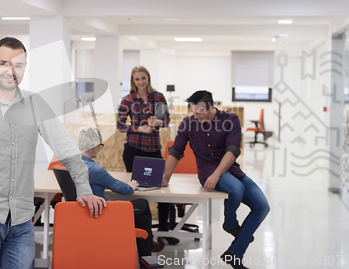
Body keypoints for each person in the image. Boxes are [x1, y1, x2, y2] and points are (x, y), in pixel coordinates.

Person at [0, 37, 106, 269]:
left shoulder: (36, 104)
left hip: (22, 221)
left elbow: (67, 150)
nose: (10, 71)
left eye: (18, 65)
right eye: (4, 63)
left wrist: (84, 188)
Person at [162, 91, 270, 269]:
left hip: (229, 170)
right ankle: (231, 224)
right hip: (206, 172)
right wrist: (166, 177)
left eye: (200, 113)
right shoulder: (188, 124)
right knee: (236, 189)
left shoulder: (230, 119)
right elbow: (176, 151)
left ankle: (234, 252)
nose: (195, 117)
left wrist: (217, 174)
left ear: (211, 107)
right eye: (193, 112)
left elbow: (233, 150)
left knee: (262, 206)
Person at [78, 125, 165, 258]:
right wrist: (131, 186)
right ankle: (147, 255)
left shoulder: (73, 165)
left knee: (144, 219)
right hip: (101, 213)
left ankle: (146, 255)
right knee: (143, 204)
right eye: (100, 145)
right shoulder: (95, 170)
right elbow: (123, 189)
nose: (100, 149)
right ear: (94, 146)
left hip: (81, 213)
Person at [117, 65, 178, 245]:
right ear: (133, 81)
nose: (141, 82)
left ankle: (164, 229)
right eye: (137, 79)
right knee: (136, 190)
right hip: (133, 150)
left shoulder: (158, 97)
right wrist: (138, 128)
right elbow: (120, 125)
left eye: (143, 78)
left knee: (162, 189)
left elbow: (166, 120)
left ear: (148, 78)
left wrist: (157, 122)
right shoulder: (127, 99)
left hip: (153, 149)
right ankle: (143, 234)